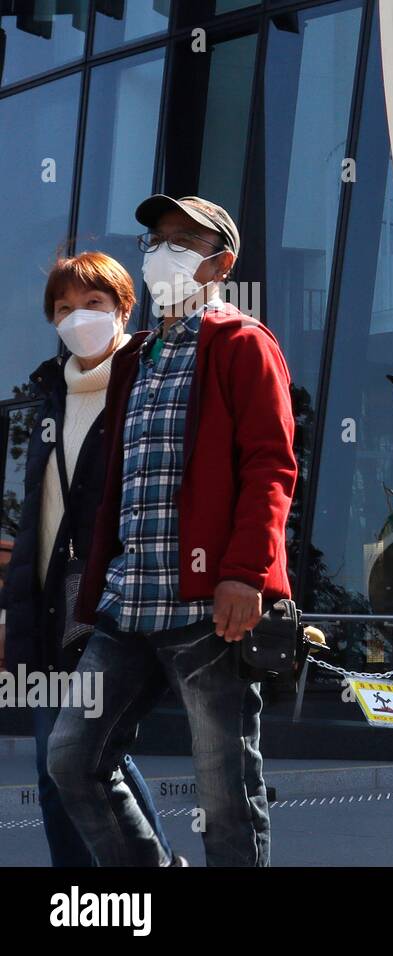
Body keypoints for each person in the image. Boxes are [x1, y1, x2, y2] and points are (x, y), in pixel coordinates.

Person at [46, 196, 297, 867]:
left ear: (222, 261)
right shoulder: (137, 359)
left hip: (208, 609)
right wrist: (92, 590)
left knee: (225, 794)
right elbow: (119, 489)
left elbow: (271, 466)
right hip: (127, 606)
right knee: (72, 760)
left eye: (184, 241)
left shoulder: (243, 344)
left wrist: (247, 573)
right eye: (156, 239)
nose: (163, 251)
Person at [0, 252, 174, 867]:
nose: (78, 319)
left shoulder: (149, 385)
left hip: (113, 601)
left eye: (94, 305)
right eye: (64, 308)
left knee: (88, 756)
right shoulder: (50, 392)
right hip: (50, 606)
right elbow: (41, 512)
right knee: (60, 768)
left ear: (125, 308)